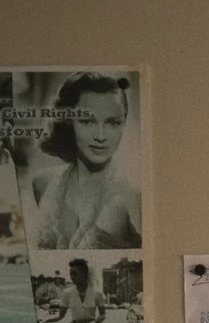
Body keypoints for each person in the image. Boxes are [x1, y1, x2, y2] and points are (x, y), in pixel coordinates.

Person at [31, 72, 142, 250]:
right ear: (68, 122)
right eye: (87, 121)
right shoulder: (43, 183)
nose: (100, 136)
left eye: (113, 123)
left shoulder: (133, 198)